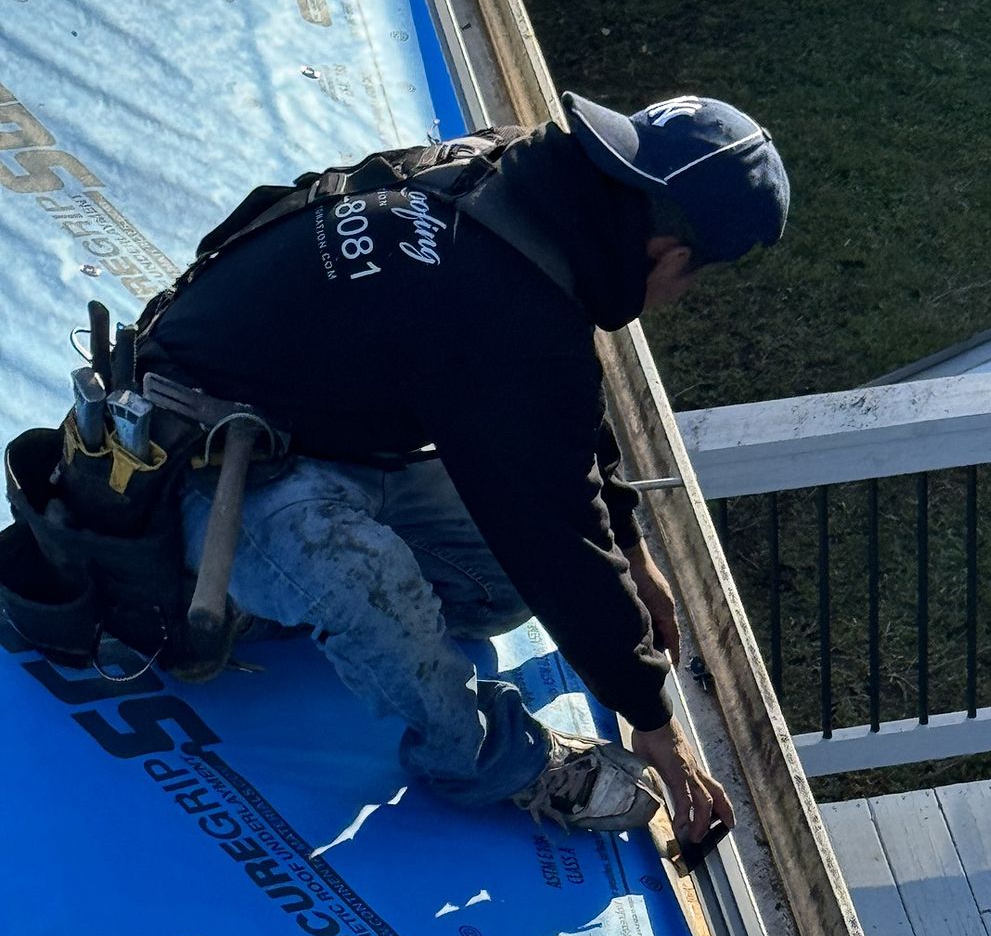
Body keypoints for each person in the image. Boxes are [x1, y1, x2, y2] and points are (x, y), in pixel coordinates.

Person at [135, 93, 789, 840]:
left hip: (309, 434)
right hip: (196, 472)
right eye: (689, 279)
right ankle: (480, 759)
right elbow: (555, 529)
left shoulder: (515, 183)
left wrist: (632, 556)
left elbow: (560, 418)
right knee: (362, 572)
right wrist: (650, 715)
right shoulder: (501, 298)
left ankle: (272, 601)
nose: (679, 293)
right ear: (668, 256)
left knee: (505, 584)